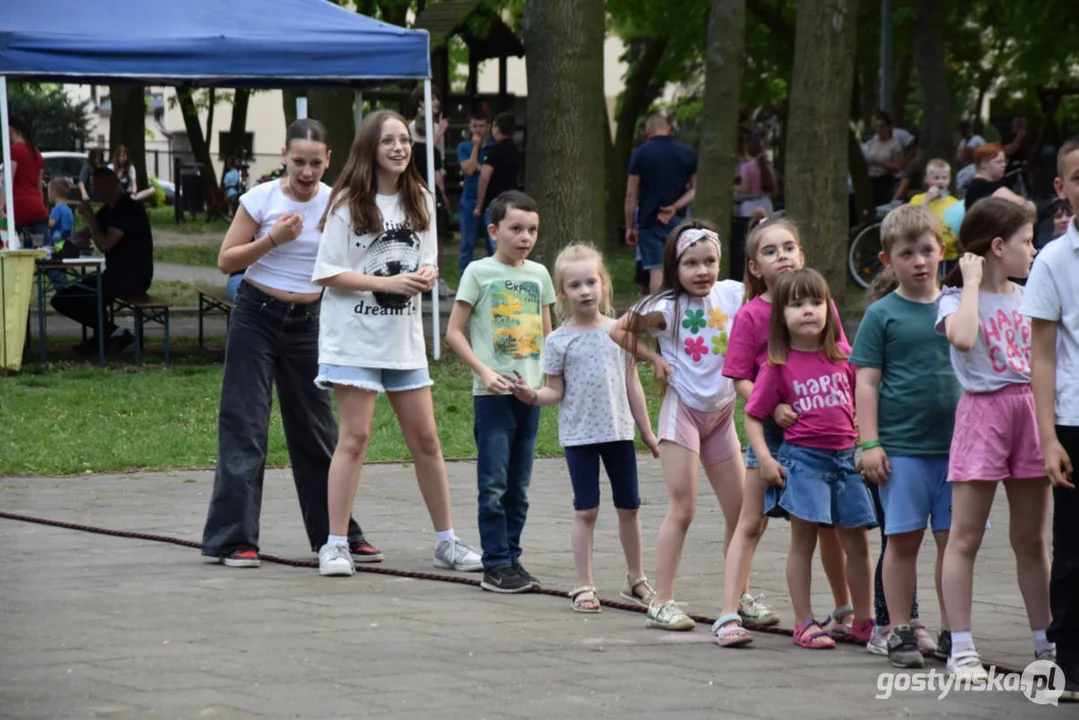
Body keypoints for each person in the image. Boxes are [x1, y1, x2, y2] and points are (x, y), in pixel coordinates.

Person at [201, 119, 380, 569]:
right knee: (246, 425)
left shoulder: (336, 202)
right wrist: (271, 239)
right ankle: (234, 539)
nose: (306, 171)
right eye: (298, 161)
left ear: (329, 160)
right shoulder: (261, 199)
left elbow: (354, 260)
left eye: (315, 163)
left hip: (308, 323)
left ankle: (335, 535)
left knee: (318, 432)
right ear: (283, 155)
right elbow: (226, 260)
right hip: (256, 317)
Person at [311, 109, 483, 577]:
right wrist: (386, 284)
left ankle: (447, 542)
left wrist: (427, 275)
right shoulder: (349, 202)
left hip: (402, 342)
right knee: (356, 437)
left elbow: (425, 263)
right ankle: (336, 544)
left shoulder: (420, 198)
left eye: (405, 140)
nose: (399, 148)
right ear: (371, 147)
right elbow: (326, 273)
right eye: (389, 140)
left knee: (426, 438)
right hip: (353, 341)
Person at [714, 215, 855, 647]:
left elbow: (840, 358)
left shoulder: (822, 305)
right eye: (770, 252)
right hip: (771, 433)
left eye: (789, 248)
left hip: (821, 434)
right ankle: (727, 613)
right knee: (751, 521)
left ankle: (845, 610)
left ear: (802, 255)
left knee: (825, 523)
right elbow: (739, 377)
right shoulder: (751, 315)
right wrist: (771, 405)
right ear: (755, 266)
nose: (782, 257)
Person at [506, 244, 660, 613]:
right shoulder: (558, 340)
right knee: (586, 510)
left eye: (591, 282)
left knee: (630, 507)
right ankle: (584, 585)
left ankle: (636, 579)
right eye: (575, 285)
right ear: (562, 293)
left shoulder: (619, 333)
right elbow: (554, 390)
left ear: (604, 284)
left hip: (619, 433)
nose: (585, 291)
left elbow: (632, 385)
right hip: (580, 438)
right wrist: (531, 396)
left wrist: (648, 431)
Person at [936, 197, 1052, 679]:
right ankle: (961, 645)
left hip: (1029, 409)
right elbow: (963, 338)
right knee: (964, 537)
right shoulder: (954, 298)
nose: (1034, 248)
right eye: (1026, 240)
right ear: (998, 246)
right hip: (983, 414)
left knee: (1030, 538)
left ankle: (1046, 642)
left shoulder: (1030, 296)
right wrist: (972, 284)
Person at [609, 222, 745, 631]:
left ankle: (740, 594)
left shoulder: (734, 293)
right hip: (683, 411)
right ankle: (662, 601)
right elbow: (618, 329)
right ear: (675, 265)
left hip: (721, 413)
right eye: (691, 264)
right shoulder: (665, 306)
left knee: (740, 513)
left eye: (710, 262)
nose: (702, 271)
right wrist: (655, 359)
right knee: (683, 507)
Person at [743, 269, 876, 650]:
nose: (808, 311)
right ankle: (804, 621)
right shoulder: (777, 365)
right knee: (804, 542)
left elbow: (865, 399)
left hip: (846, 462)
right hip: (804, 463)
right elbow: (753, 415)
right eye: (797, 304)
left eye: (816, 303)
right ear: (781, 317)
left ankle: (863, 619)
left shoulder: (843, 356)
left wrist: (868, 440)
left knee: (859, 544)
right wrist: (766, 459)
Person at [851, 205, 959, 660]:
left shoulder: (956, 306)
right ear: (887, 260)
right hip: (903, 451)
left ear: (942, 253)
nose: (918, 260)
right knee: (904, 540)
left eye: (926, 250)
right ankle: (899, 629)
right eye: (906, 253)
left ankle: (957, 629)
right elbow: (867, 383)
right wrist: (869, 442)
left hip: (960, 449)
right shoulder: (882, 314)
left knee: (955, 543)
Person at [446, 190, 556, 594]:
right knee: (493, 484)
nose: (525, 237)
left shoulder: (540, 275)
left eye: (532, 230)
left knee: (519, 487)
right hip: (492, 398)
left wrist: (552, 381)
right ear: (494, 231)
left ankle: (512, 558)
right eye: (516, 229)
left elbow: (549, 334)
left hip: (529, 397)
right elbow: (453, 332)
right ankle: (495, 565)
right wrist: (483, 371)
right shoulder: (478, 272)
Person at [1021, 139, 1079, 702]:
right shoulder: (1054, 261)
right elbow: (1041, 355)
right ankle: (1072, 658)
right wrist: (1048, 436)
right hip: (1074, 421)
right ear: (1061, 190)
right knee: (1072, 548)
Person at [51, 167, 151, 355]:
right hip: (114, 274)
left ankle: (111, 334)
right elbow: (87, 235)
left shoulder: (127, 209)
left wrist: (90, 218)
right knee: (65, 297)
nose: (95, 192)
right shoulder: (107, 211)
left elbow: (105, 244)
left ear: (113, 185)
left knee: (81, 297)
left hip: (133, 276)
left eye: (98, 187)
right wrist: (73, 241)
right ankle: (106, 336)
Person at [624, 114, 698, 294]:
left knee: (656, 271)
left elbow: (631, 193)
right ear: (669, 129)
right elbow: (695, 190)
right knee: (679, 269)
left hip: (649, 221)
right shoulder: (688, 153)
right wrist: (675, 207)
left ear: (647, 132)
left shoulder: (640, 154)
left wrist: (630, 227)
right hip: (679, 221)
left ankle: (658, 317)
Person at [410, 114, 454, 299]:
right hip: (431, 196)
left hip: (413, 197)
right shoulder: (432, 151)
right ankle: (436, 278)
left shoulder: (410, 150)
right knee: (437, 240)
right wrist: (443, 195)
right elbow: (438, 178)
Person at [473, 112, 521, 251]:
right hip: (512, 200)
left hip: (495, 201)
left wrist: (479, 205)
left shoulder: (494, 149)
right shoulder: (515, 149)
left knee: (496, 243)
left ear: (497, 128)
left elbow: (484, 177)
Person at [457, 111, 495, 273]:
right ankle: (465, 278)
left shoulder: (494, 147)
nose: (478, 130)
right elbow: (469, 170)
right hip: (469, 198)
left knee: (492, 242)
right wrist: (476, 147)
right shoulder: (464, 147)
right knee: (468, 242)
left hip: (491, 199)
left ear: (488, 127)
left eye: (481, 126)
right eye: (474, 126)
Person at [909, 159, 960, 276]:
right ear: (927, 179)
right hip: (924, 253)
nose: (940, 182)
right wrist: (927, 200)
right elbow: (913, 220)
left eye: (944, 178)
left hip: (949, 254)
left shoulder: (954, 203)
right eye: (936, 178)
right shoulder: (917, 199)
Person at [1, 117, 49, 243]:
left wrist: (1, 205)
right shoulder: (37, 153)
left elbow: (8, 181)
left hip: (18, 211)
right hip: (38, 210)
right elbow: (39, 188)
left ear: (12, 130)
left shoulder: (13, 151)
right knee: (40, 253)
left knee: (19, 253)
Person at [863, 111, 904, 207]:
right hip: (871, 179)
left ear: (888, 127)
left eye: (881, 126)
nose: (878, 130)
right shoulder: (870, 143)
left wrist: (880, 163)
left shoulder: (895, 144)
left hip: (886, 181)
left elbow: (897, 167)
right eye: (876, 127)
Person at [736, 137, 777, 217]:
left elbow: (745, 188)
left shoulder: (746, 167)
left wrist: (734, 187)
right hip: (767, 204)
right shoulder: (769, 168)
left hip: (751, 204)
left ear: (747, 152)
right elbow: (775, 191)